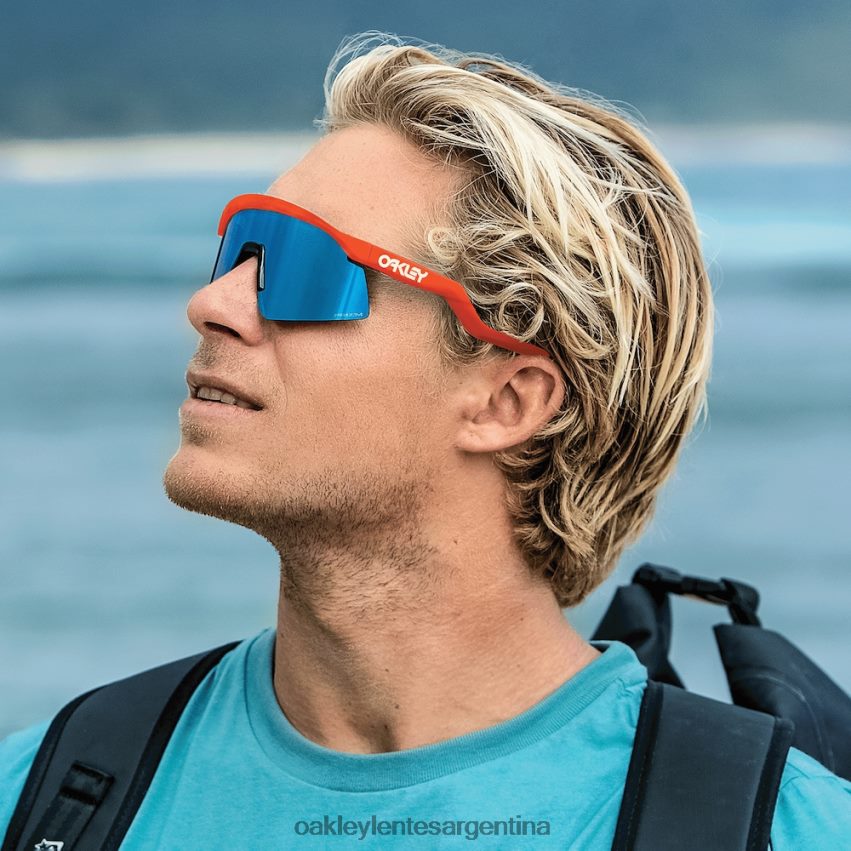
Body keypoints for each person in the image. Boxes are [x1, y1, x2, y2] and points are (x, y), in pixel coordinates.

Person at [2, 32, 849, 849]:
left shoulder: (783, 830)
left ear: (505, 401)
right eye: (237, 249)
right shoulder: (54, 792)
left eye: (302, 266)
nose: (213, 303)